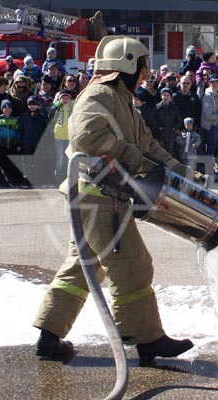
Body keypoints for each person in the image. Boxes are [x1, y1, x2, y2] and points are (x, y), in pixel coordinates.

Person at [33, 36, 203, 366]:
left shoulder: (124, 103)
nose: (145, 75)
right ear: (125, 66)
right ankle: (147, 340)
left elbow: (151, 149)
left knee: (82, 270)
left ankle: (48, 338)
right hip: (99, 198)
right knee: (134, 266)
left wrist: (185, 178)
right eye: (141, 68)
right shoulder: (99, 94)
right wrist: (131, 157)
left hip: (95, 199)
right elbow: (86, 135)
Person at [18, 96, 47, 185]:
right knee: (28, 163)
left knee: (38, 162)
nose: (32, 106)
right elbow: (20, 131)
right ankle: (27, 180)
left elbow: (44, 131)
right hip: (27, 143)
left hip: (38, 143)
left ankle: (37, 180)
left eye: (34, 104)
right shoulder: (24, 117)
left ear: (38, 105)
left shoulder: (42, 117)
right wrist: (20, 142)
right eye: (30, 104)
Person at [0, 99, 22, 186]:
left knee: (12, 162)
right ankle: (2, 179)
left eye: (9, 108)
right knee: (3, 162)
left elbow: (18, 133)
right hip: (2, 145)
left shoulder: (15, 120)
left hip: (13, 144)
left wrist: (19, 144)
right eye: (5, 108)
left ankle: (13, 178)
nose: (7, 110)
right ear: (2, 109)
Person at [48, 90, 74, 184]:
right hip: (58, 135)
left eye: (67, 98)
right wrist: (57, 104)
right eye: (63, 98)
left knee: (68, 158)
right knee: (60, 158)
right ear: (60, 99)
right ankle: (58, 178)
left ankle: (67, 177)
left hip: (69, 135)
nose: (65, 100)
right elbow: (50, 115)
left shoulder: (72, 106)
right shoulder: (57, 107)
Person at [201, 74, 218, 159]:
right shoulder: (207, 96)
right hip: (211, 126)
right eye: (212, 82)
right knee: (210, 150)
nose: (215, 84)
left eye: (217, 82)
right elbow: (209, 115)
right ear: (209, 83)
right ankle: (208, 169)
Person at [153, 87, 182, 157]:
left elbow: (179, 121)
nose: (165, 97)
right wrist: (158, 127)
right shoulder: (157, 108)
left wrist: (174, 127)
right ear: (161, 96)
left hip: (171, 135)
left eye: (167, 95)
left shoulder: (174, 108)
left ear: (170, 97)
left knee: (170, 152)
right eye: (164, 95)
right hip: (160, 134)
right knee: (160, 152)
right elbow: (153, 120)